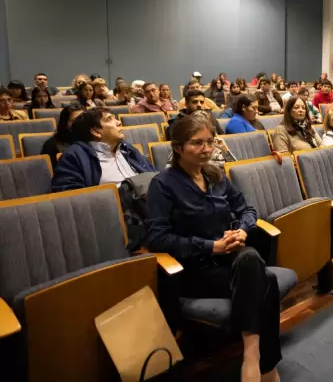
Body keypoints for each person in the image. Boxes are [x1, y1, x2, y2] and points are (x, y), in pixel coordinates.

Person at [145, 113, 282, 382]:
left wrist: (242, 229)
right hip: (194, 269)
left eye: (210, 142)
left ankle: (252, 358)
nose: (206, 149)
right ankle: (264, 366)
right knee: (267, 280)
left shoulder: (216, 175)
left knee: (251, 258)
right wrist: (211, 246)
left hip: (231, 260)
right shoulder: (163, 185)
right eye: (197, 143)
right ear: (178, 148)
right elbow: (157, 238)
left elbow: (248, 209)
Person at [51, 108, 154, 191]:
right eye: (109, 119)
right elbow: (70, 197)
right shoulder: (74, 155)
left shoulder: (127, 148)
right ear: (96, 131)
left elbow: (152, 174)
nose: (118, 122)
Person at [41, 102, 85, 168]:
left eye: (83, 119)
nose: (80, 123)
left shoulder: (91, 141)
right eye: (75, 120)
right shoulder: (51, 145)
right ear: (65, 123)